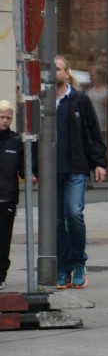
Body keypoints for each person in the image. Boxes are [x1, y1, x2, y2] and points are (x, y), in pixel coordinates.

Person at [55, 56, 108, 289]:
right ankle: (62, 268)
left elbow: (93, 133)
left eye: (57, 69)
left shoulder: (79, 100)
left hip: (76, 168)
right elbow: (34, 136)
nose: (53, 73)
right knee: (57, 221)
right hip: (51, 172)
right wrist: (34, 169)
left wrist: (99, 163)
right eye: (50, 70)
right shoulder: (42, 101)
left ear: (67, 73)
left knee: (74, 214)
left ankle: (78, 264)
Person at [0, 100, 34, 291]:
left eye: (8, 117)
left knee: (3, 240)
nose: (5, 121)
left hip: (7, 197)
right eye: (2, 117)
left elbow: (23, 168)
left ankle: (1, 274)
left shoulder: (15, 141)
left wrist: (30, 175)